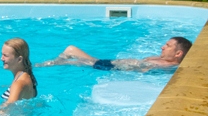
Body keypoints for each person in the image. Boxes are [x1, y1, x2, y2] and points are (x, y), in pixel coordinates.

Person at [36, 37, 193, 71]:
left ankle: (42, 66)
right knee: (71, 51)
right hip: (109, 63)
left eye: (167, 46)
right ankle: (50, 63)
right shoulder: (160, 59)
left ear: (178, 53)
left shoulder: (166, 66)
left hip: (111, 68)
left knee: (71, 54)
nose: (162, 47)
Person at [0, 38, 37, 104]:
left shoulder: (18, 84)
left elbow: (8, 108)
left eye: (5, 55)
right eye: (2, 54)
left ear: (19, 59)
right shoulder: (27, 77)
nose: (1, 58)